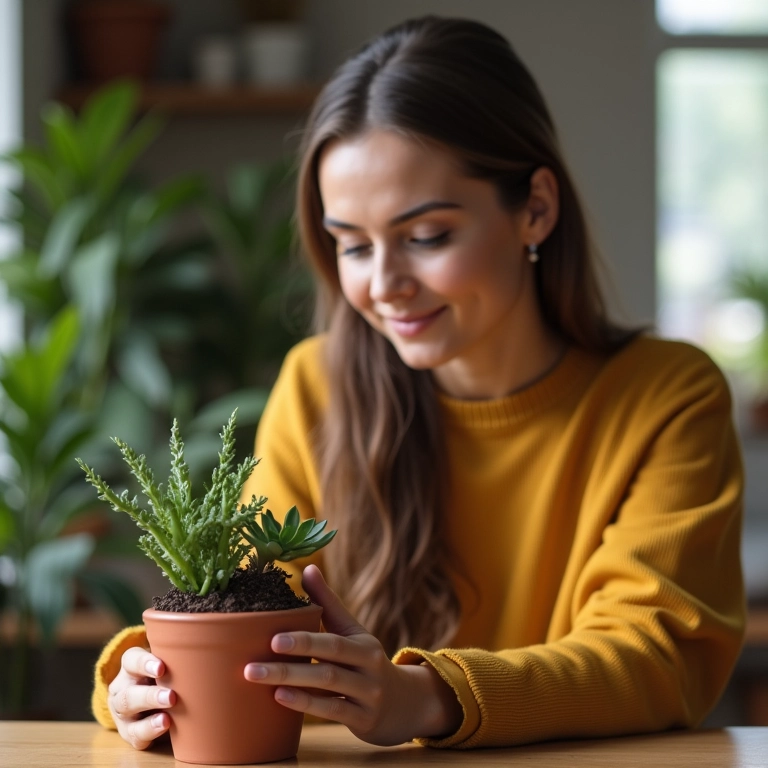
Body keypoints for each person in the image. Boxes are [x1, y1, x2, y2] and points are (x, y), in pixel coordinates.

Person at [91, 16, 745, 752]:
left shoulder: (667, 396)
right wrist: (141, 677)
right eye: (351, 245)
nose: (384, 285)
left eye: (427, 237)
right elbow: (237, 603)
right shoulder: (317, 386)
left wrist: (429, 698)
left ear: (535, 209)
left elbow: (657, 654)